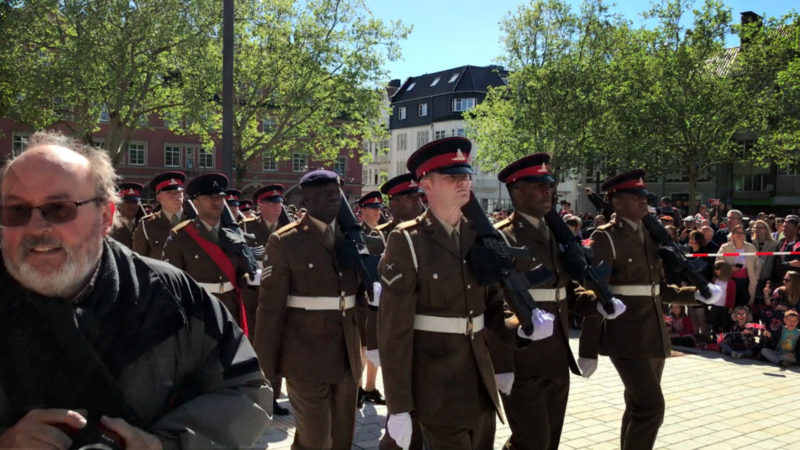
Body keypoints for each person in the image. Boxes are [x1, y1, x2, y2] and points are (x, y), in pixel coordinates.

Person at [0, 131, 271, 449]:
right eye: (15, 211)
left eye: (59, 208)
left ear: (105, 217)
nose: (35, 227)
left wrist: (166, 445)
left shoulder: (175, 296)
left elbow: (246, 389)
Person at [378, 137, 523, 449]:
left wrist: (521, 330)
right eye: (452, 177)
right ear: (426, 185)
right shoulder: (407, 241)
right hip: (435, 383)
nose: (463, 182)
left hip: (479, 380)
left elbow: (494, 307)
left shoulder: (481, 236)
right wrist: (398, 406)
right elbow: (394, 333)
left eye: (466, 175)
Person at [491, 153, 623, 450]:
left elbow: (565, 292)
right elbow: (492, 304)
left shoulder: (556, 235)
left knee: (549, 440)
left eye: (548, 185)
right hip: (521, 356)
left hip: (556, 356)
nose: (546, 191)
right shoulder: (501, 238)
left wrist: (598, 304)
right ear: (516, 192)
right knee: (532, 441)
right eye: (538, 186)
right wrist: (502, 365)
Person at [586, 169, 718, 450]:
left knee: (637, 406)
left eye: (644, 196)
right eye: (635, 197)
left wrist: (698, 294)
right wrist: (588, 349)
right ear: (617, 202)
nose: (643, 201)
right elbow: (594, 292)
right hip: (625, 335)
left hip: (654, 332)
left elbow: (661, 290)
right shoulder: (605, 237)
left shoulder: (651, 235)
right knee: (651, 407)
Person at [253, 170, 363, 449]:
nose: (333, 199)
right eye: (324, 194)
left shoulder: (352, 238)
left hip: (346, 353)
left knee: (341, 437)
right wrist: (265, 369)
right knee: (316, 438)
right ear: (306, 199)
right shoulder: (286, 241)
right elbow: (270, 310)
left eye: (336, 193)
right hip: (305, 355)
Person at [162, 173, 257, 334]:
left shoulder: (235, 234)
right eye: (209, 197)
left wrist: (247, 274)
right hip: (199, 312)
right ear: (196, 202)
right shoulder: (181, 236)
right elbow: (172, 285)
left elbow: (241, 274)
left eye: (219, 197)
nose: (216, 201)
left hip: (230, 309)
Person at [374, 172, 425, 450]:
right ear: (392, 203)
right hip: (394, 323)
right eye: (408, 197)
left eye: (418, 195)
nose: (416, 201)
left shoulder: (429, 232)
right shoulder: (385, 236)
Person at [240, 184, 291, 416]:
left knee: (280, 347)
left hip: (284, 297)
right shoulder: (245, 228)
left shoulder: (290, 229)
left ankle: (273, 396)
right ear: (259, 205)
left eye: (279, 202)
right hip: (255, 299)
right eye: (270, 203)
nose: (276, 207)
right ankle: (252, 394)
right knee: (256, 347)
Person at [355, 190, 387, 408]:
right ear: (362, 211)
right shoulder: (357, 233)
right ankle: (357, 387)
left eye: (379, 208)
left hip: (380, 294)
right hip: (362, 294)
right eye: (373, 208)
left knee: (375, 342)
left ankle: (370, 387)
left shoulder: (382, 233)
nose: (377, 212)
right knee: (362, 344)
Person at [132, 171, 185, 259]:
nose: (175, 195)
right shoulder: (147, 225)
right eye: (169, 192)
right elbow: (138, 261)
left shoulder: (195, 220)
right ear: (158, 198)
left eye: (178, 192)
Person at [717, 224, 759, 310]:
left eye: (742, 232)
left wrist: (756, 276)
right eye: (737, 232)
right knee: (731, 304)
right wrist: (730, 268)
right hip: (730, 280)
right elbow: (717, 263)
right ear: (732, 234)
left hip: (747, 281)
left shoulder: (751, 247)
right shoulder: (725, 247)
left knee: (745, 304)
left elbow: (758, 265)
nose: (740, 234)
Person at [751, 219, 777, 322]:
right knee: (754, 304)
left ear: (766, 229)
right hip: (754, 277)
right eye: (756, 227)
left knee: (765, 304)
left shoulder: (773, 243)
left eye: (760, 227)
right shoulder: (751, 242)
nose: (758, 230)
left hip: (767, 276)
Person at [109, 181, 144, 249]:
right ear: (118, 203)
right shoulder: (110, 225)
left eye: (135, 202)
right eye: (128, 202)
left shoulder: (146, 223)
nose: (132, 206)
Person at [772, 215, 800, 285]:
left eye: (787, 227)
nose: (784, 229)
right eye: (784, 226)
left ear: (796, 228)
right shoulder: (781, 241)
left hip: (795, 283)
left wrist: (787, 264)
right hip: (779, 281)